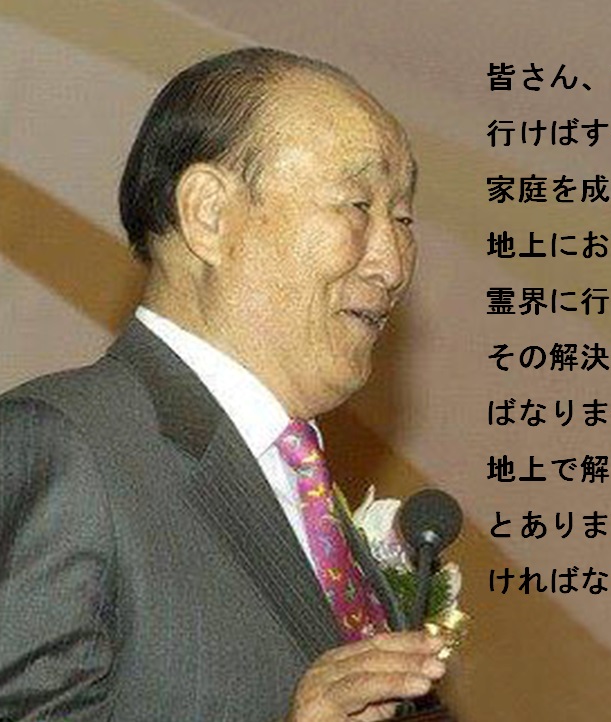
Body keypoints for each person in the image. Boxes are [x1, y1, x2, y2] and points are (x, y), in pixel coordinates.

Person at [0, 47, 446, 721]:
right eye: (358, 205)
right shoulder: (62, 444)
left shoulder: (304, 492)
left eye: (403, 218)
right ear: (209, 213)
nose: (391, 264)